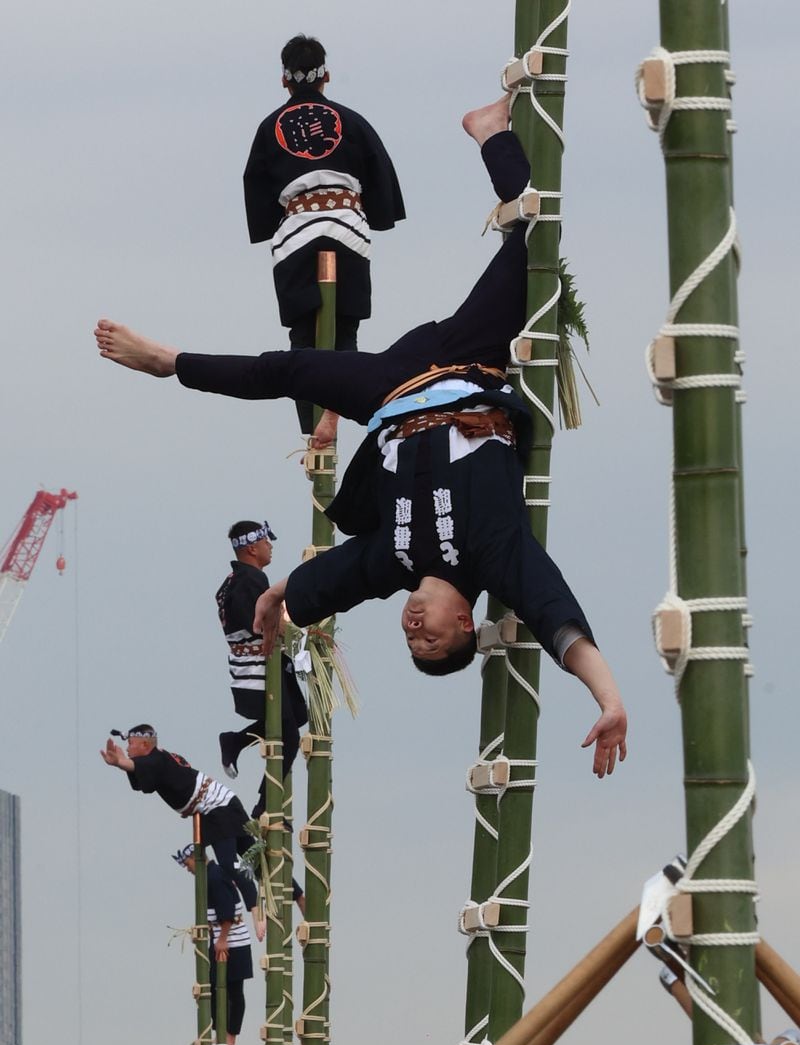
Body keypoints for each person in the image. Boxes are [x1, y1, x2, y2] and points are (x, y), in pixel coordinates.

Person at [94, 100, 627, 777]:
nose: (417, 633)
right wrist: (608, 698)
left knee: (289, 369)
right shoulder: (497, 553)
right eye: (435, 644)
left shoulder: (395, 559)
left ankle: (171, 362)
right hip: (468, 361)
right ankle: (492, 131)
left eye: (413, 645)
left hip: (392, 393)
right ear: (466, 624)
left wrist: (276, 593)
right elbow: (559, 620)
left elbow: (333, 579)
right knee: (537, 237)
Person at [243, 34, 406, 432]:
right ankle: (338, 414)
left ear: (284, 80)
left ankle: (311, 428)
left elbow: (257, 193)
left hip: (296, 233)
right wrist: (378, 215)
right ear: (326, 76)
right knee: (345, 330)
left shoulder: (269, 128)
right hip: (348, 229)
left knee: (303, 337)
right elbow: (381, 179)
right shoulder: (352, 121)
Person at [100, 725, 265, 937]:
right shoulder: (159, 760)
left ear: (145, 744)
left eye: (130, 744)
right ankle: (297, 896)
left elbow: (142, 766)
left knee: (230, 863)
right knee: (257, 860)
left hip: (217, 808)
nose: (128, 748)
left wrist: (122, 762)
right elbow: (144, 783)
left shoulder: (157, 759)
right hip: (218, 805)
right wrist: (124, 765)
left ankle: (256, 910)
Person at [216, 518, 308, 790]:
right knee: (288, 737)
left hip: (259, 663)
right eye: (266, 541)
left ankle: (236, 741)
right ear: (252, 549)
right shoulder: (249, 581)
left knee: (298, 714)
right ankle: (266, 803)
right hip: (259, 667)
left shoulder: (234, 582)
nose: (270, 546)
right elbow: (258, 624)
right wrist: (299, 637)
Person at [174, 845, 253, 1045]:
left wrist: (222, 939)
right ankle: (219, 1030)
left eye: (187, 864)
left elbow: (226, 911)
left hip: (232, 940)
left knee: (234, 990)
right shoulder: (211, 876)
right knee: (213, 987)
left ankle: (230, 1035)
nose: (188, 869)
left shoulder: (215, 877)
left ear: (194, 858)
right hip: (219, 937)